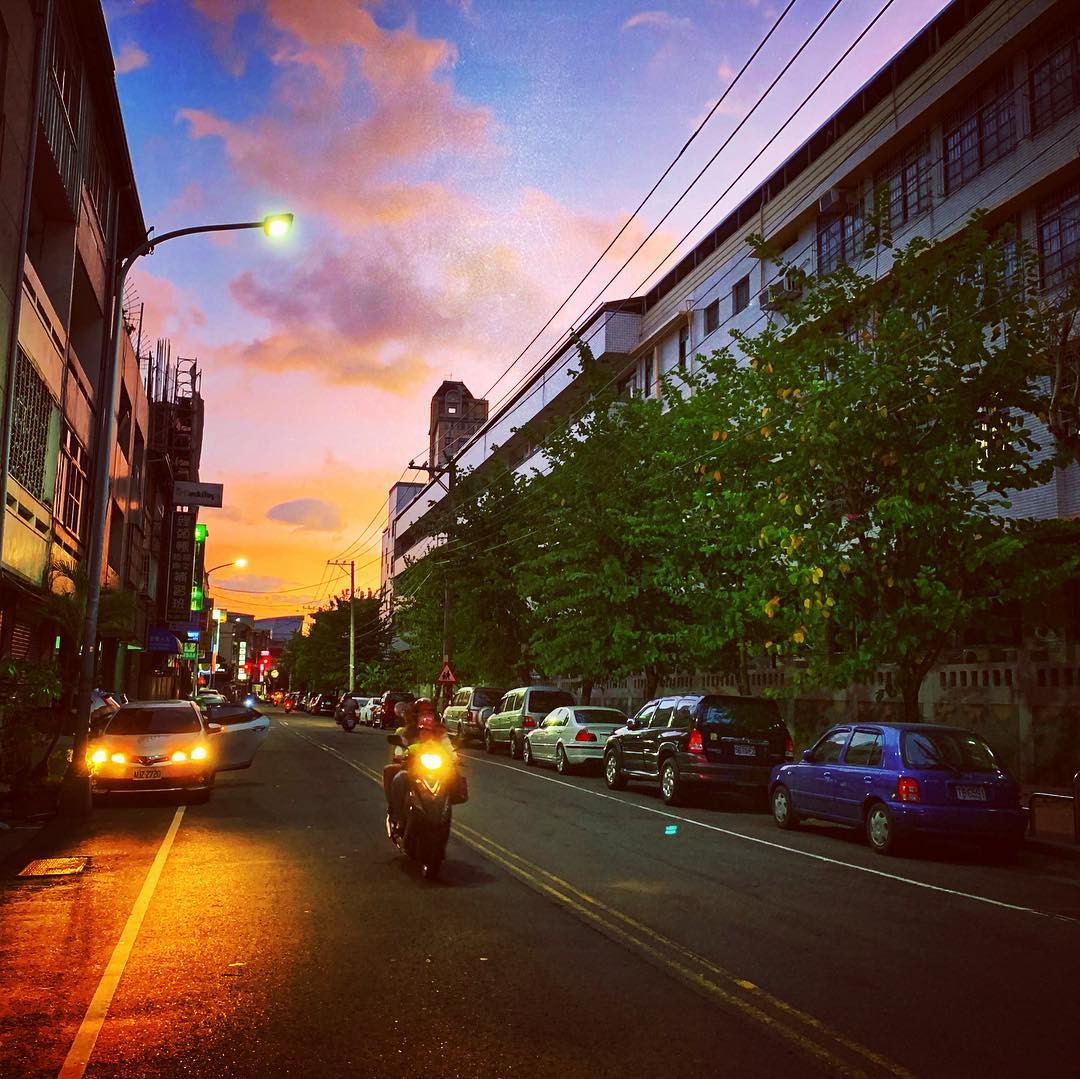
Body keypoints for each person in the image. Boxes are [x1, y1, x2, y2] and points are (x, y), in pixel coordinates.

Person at [385, 699, 453, 830]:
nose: (426, 716)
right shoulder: (410, 730)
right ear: (416, 715)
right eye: (422, 713)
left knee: (453, 778)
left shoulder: (440, 730)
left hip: (436, 769)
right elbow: (402, 746)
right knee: (398, 777)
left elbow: (448, 747)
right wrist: (400, 755)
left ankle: (444, 812)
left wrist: (454, 758)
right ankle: (396, 815)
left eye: (429, 712)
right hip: (412, 768)